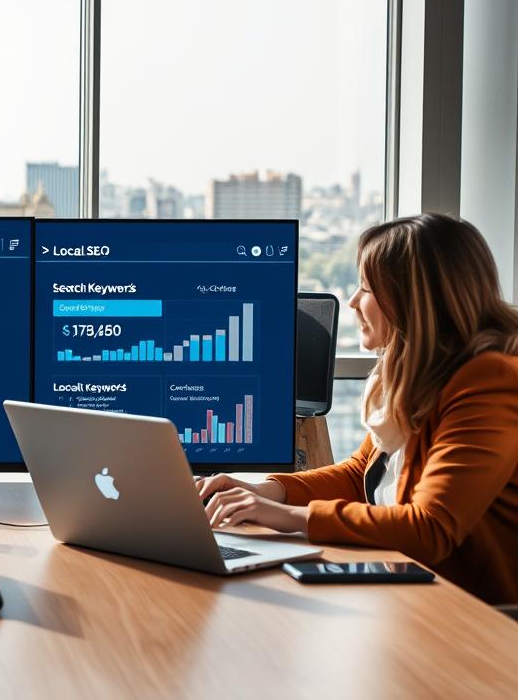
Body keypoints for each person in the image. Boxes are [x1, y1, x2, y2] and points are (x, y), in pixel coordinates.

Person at [197, 213, 518, 604]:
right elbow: (359, 476)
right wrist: (265, 491)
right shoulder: (417, 375)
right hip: (408, 591)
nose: (352, 301)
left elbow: (431, 527)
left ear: (411, 300)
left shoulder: (490, 380)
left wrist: (281, 517)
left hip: (472, 615)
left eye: (366, 288)